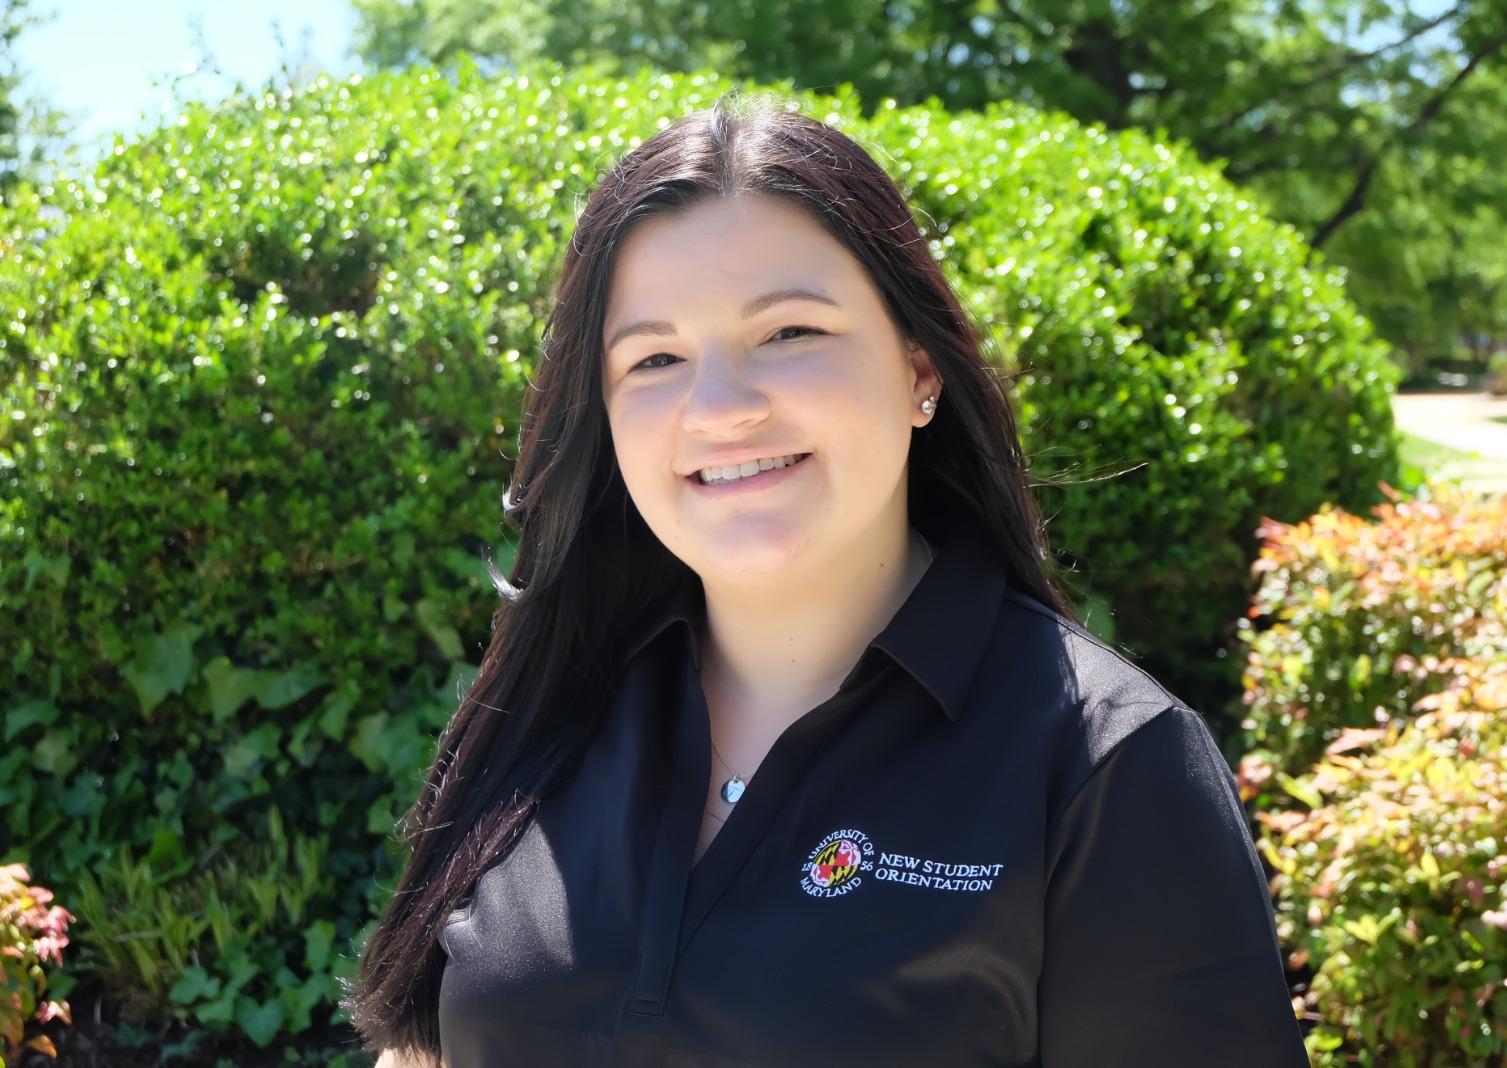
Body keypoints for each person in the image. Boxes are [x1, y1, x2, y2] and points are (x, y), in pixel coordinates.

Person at [348, 90, 1310, 1067]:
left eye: (789, 334)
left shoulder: (1103, 764)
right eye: (655, 358)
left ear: (919, 368)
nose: (718, 407)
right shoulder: (551, 709)